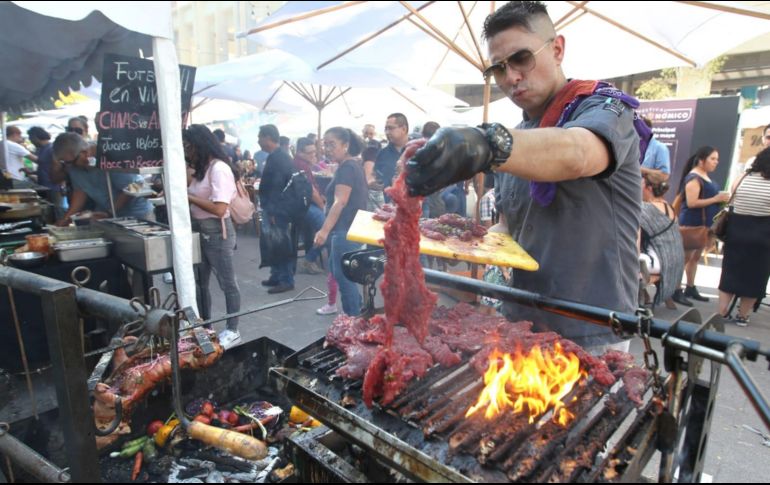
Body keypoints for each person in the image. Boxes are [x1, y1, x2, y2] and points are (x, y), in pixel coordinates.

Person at [405, 1, 642, 351]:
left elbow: (577, 153)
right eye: (499, 68)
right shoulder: (517, 137)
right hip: (523, 321)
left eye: (521, 59)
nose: (511, 78)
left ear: (557, 49)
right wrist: (456, 240)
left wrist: (486, 143)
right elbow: (511, 228)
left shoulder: (605, 109)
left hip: (591, 328)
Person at [183, 125, 242, 349]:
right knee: (200, 283)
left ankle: (233, 329)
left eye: (189, 147)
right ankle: (205, 326)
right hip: (200, 231)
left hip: (218, 232)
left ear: (200, 145)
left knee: (227, 283)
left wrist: (188, 196)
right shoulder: (202, 169)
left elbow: (219, 208)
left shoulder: (219, 169)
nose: (187, 152)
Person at [313, 127, 368, 316]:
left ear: (345, 145)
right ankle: (357, 310)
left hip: (344, 230)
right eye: (325, 144)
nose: (328, 148)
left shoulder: (347, 168)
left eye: (332, 144)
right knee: (342, 274)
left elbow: (340, 202)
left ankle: (352, 319)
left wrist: (324, 230)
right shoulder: (351, 166)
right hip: (349, 228)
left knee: (343, 277)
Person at [717, 146, 770, 326]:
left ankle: (722, 313)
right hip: (763, 237)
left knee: (729, 273)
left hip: (736, 233)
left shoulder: (742, 178)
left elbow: (733, 198)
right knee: (755, 276)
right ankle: (743, 316)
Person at [52, 133, 153, 225]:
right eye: (64, 163)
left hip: (137, 214)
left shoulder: (110, 155)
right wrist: (66, 219)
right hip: (107, 215)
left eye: (70, 162)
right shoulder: (74, 167)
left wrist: (109, 212)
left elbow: (133, 186)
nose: (68, 166)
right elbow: (80, 193)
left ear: (84, 153)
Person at [676, 146, 730, 303]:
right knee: (685, 258)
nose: (716, 162)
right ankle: (676, 289)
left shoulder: (704, 177)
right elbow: (692, 202)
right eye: (712, 159)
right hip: (692, 224)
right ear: (701, 160)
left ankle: (690, 287)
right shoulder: (694, 177)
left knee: (695, 257)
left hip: (703, 225)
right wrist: (716, 200)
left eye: (717, 159)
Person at [258, 124, 297, 294]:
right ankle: (276, 275)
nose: (258, 140)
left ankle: (286, 279)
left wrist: (273, 211)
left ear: (267, 137)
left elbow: (277, 186)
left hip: (277, 210)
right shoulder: (277, 155)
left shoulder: (279, 157)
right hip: (273, 208)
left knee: (280, 244)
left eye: (260, 137)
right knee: (273, 243)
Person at [639, 173, 685, 309]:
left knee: (623, 257)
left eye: (641, 185)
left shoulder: (644, 209)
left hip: (660, 261)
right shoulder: (668, 207)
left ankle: (634, 298)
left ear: (649, 188)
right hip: (675, 260)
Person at [294, 137, 326, 275]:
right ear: (300, 152)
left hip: (303, 205)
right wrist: (321, 206)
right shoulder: (300, 165)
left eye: (315, 152)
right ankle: (309, 259)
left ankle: (311, 254)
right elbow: (311, 192)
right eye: (310, 152)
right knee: (327, 229)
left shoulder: (302, 164)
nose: (314, 155)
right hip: (304, 206)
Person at [27, 127, 66, 219]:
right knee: (48, 211)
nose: (30, 141)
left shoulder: (51, 148)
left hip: (54, 186)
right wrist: (32, 172)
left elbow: (60, 166)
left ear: (35, 137)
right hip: (44, 185)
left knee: (57, 210)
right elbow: (44, 166)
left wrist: (62, 184)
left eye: (30, 138)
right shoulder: (40, 149)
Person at [374, 113, 409, 199]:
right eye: (385, 129)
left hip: (417, 207)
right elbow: (376, 177)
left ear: (404, 129)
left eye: (390, 128)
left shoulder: (418, 150)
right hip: (390, 206)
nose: (387, 132)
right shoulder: (382, 154)